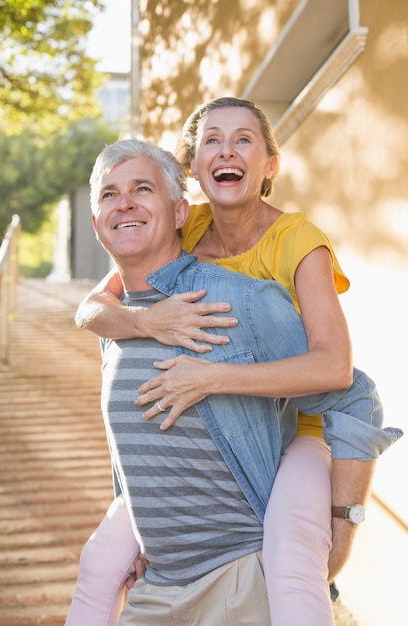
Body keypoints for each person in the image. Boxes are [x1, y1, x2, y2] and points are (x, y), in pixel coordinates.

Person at [71, 102, 402, 625]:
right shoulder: (182, 230)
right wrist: (147, 323)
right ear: (195, 168)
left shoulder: (295, 243)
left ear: (271, 164)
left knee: (292, 563)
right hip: (227, 443)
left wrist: (344, 519)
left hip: (301, 431)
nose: (227, 150)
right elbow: (93, 308)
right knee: (97, 562)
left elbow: (338, 370)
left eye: (244, 140)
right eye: (212, 141)